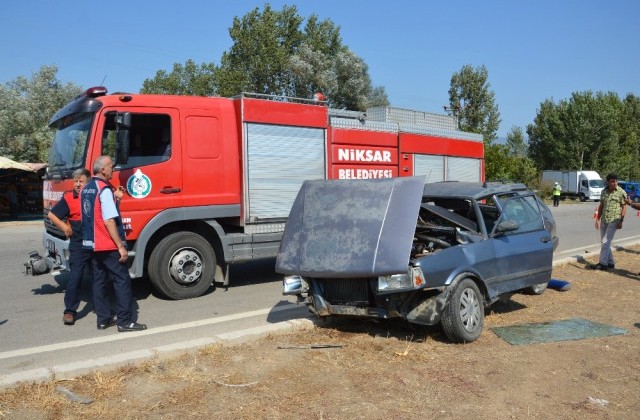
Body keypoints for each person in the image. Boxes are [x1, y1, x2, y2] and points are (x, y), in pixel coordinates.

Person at [81, 155, 147, 332]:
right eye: (111, 166)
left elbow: (93, 214)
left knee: (99, 281)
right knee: (122, 280)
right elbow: (109, 220)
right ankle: (125, 321)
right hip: (107, 244)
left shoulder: (87, 188)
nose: (113, 169)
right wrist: (120, 246)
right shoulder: (104, 190)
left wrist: (116, 199)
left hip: (92, 243)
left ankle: (103, 319)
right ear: (103, 170)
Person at [47, 168, 92, 325]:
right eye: (76, 181)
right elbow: (52, 215)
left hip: (96, 241)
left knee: (102, 275)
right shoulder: (69, 197)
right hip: (78, 243)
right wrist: (65, 228)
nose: (78, 184)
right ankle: (70, 311)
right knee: (76, 276)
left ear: (89, 182)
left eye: (81, 181)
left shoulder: (94, 195)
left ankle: (104, 309)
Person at [592, 173, 627, 270]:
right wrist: (597, 219)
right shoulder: (604, 191)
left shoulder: (621, 192)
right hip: (604, 219)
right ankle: (610, 262)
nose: (615, 183)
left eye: (616, 181)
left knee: (605, 242)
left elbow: (624, 207)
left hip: (614, 220)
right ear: (608, 182)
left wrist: (621, 220)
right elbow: (601, 206)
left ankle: (603, 264)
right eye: (612, 181)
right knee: (604, 242)